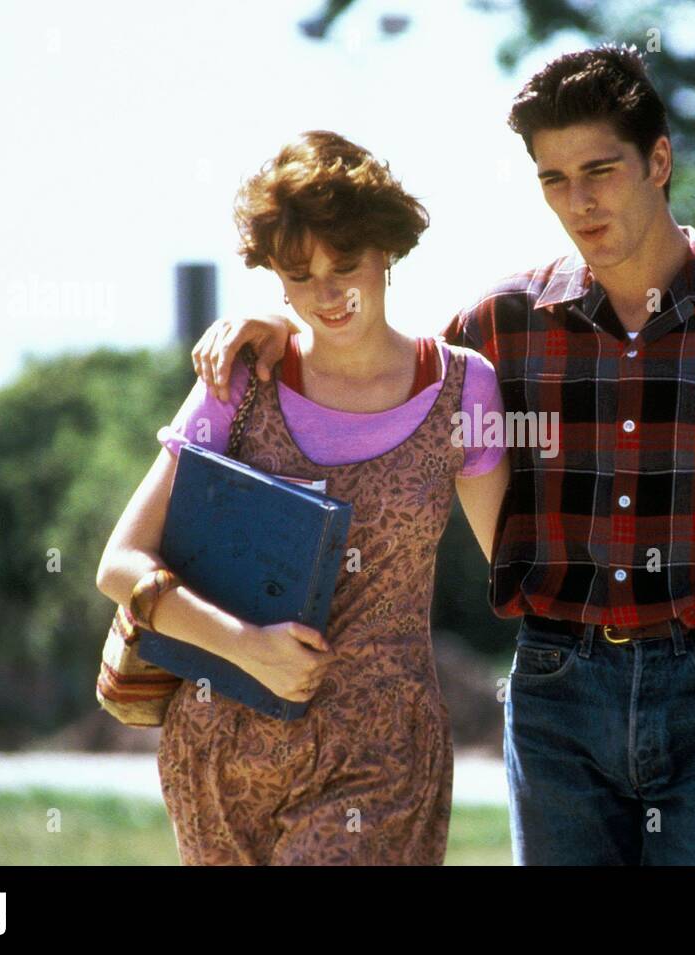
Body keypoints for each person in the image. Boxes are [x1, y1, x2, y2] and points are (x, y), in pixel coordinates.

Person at [192, 46, 695, 866]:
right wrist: (283, 332)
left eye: (600, 170)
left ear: (659, 160)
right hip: (557, 695)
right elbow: (381, 371)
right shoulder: (501, 324)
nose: (579, 201)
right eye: (553, 179)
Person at [96, 130, 510, 865]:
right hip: (218, 748)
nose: (328, 294)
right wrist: (246, 647)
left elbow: (516, 569)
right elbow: (119, 562)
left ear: (388, 251)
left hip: (380, 758)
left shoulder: (463, 388)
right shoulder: (239, 376)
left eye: (345, 264)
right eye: (299, 274)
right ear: (275, 279)